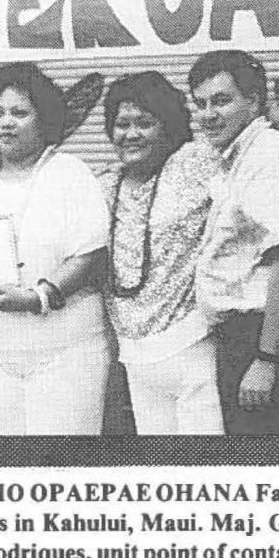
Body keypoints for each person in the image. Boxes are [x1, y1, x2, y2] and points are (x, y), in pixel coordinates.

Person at [0, 62, 111, 435]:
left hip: (66, 352)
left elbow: (90, 254)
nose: (6, 123)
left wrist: (38, 297)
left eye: (20, 112)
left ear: (44, 118)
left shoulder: (70, 172)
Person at [189, 50, 279, 435]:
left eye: (221, 101)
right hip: (251, 340)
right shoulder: (239, 154)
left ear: (253, 102)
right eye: (200, 103)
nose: (207, 114)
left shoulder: (270, 156)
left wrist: (267, 359)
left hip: (275, 342)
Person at [100, 72, 225, 434]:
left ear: (168, 127)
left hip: (192, 345)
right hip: (135, 356)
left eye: (145, 123)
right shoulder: (106, 184)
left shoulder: (193, 163)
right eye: (121, 124)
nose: (131, 134)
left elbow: (249, 143)